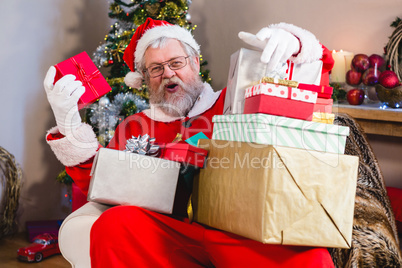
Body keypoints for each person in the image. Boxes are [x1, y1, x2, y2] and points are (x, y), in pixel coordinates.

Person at [44, 18, 335, 267]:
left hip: (238, 235)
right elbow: (99, 182)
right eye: (155, 68)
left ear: (195, 63)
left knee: (311, 257)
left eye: (176, 62)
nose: (168, 73)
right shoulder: (133, 126)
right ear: (144, 78)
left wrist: (295, 44)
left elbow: (315, 75)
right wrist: (70, 124)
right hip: (171, 234)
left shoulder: (234, 101)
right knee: (114, 224)